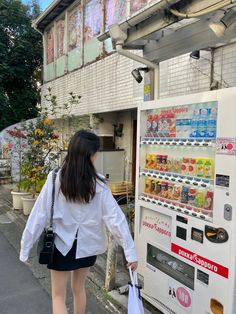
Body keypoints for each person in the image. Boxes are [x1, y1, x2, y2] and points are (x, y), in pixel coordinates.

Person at [20, 130, 138, 314]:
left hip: (60, 245)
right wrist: (130, 252)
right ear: (92, 154)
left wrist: (25, 248)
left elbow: (39, 214)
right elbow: (115, 219)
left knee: (58, 296)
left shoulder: (55, 178)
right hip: (88, 245)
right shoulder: (98, 183)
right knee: (79, 288)